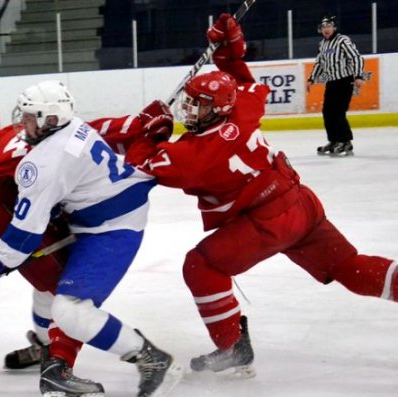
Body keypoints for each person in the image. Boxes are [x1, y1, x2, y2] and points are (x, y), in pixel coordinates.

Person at [119, 13, 398, 376]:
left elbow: (140, 165)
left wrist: (149, 132)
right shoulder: (243, 108)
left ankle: (232, 346)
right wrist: (229, 42)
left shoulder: (194, 156)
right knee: (350, 267)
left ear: (217, 109)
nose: (188, 109)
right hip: (299, 205)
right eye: (189, 101)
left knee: (201, 266)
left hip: (266, 222)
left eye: (197, 104)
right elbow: (237, 76)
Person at [0, 80, 183, 397]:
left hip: (113, 228)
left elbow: (26, 230)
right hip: (99, 215)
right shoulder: (74, 129)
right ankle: (45, 346)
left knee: (69, 310)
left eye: (29, 117)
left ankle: (152, 359)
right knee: (44, 286)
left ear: (50, 120)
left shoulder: (44, 163)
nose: (21, 123)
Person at [306, 15, 365, 157]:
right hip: (331, 83)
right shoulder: (323, 44)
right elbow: (319, 63)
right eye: (323, 27)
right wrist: (311, 79)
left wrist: (358, 76)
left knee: (338, 112)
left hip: (345, 81)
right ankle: (334, 140)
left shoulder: (342, 40)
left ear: (334, 28)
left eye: (329, 26)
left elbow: (356, 57)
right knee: (327, 112)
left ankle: (346, 141)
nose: (326, 29)